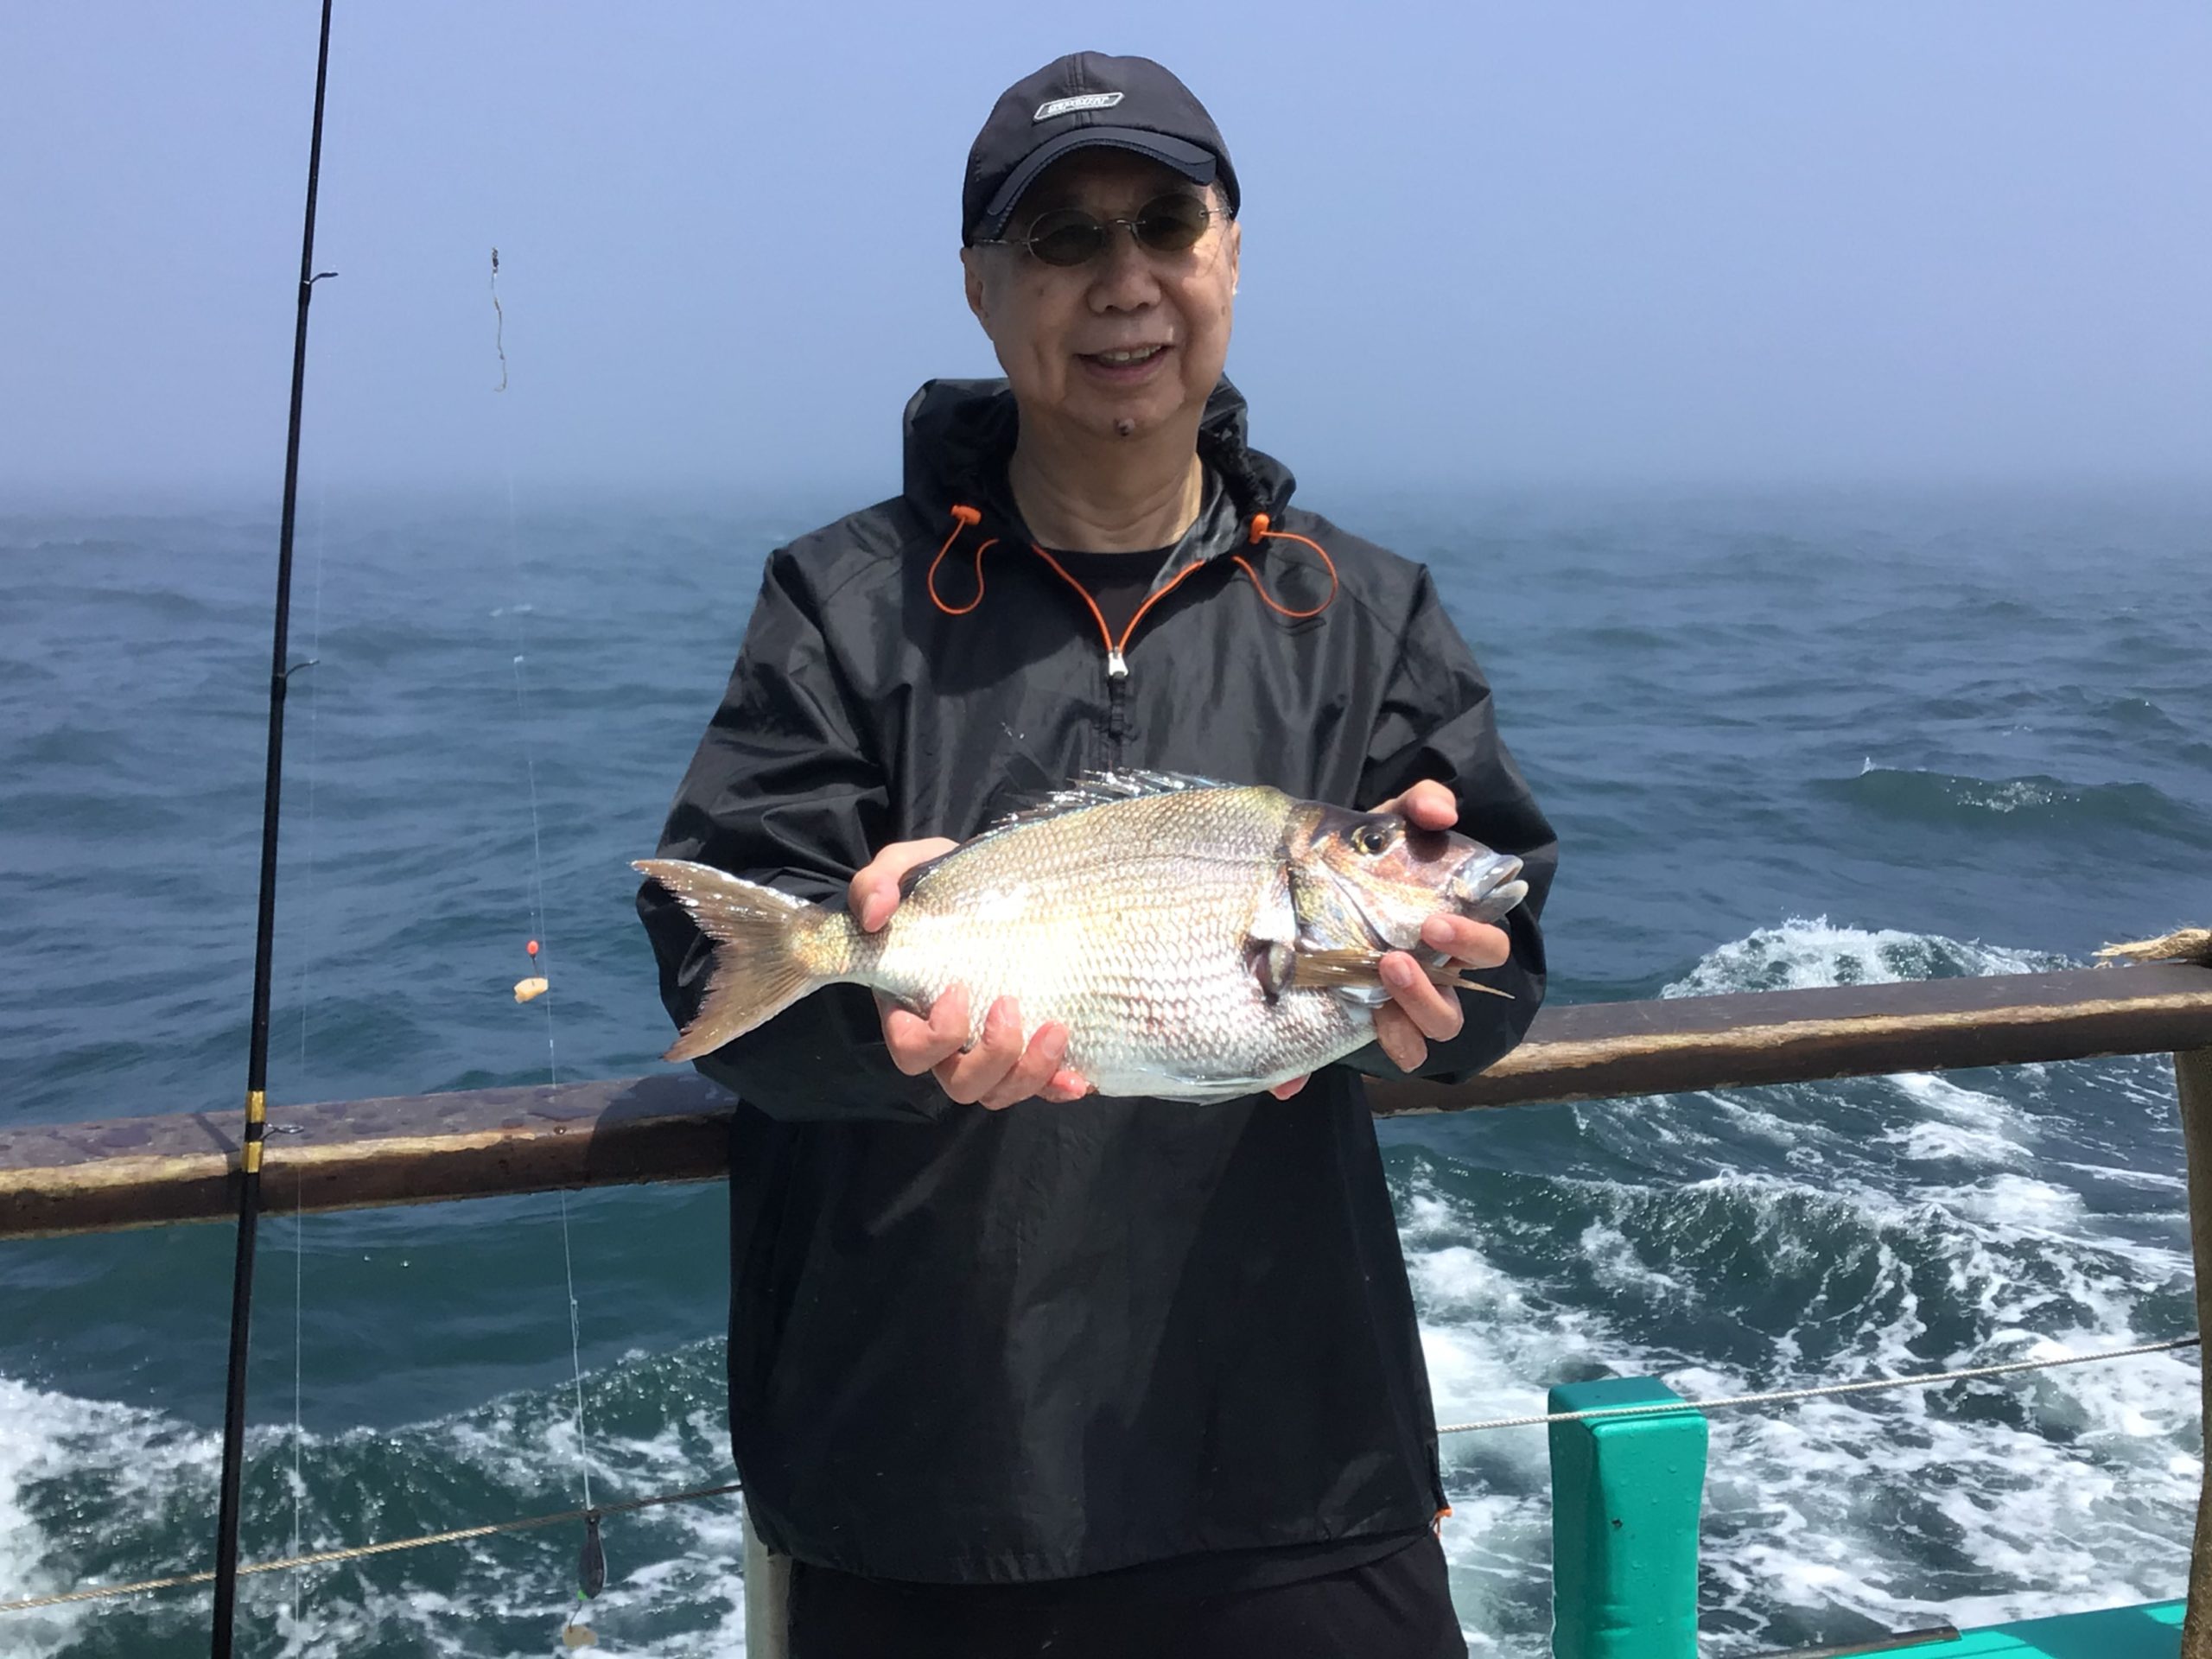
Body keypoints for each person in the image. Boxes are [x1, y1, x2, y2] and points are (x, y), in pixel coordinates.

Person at [638, 50, 1557, 1659]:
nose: (1124, 281)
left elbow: (1499, 942)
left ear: (1231, 254)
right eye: (1063, 239)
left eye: (1164, 225)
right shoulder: (842, 606)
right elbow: (718, 960)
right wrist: (881, 1014)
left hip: (1299, 1463)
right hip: (924, 1477)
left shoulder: (1364, 610)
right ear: (982, 289)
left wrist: (1456, 996)